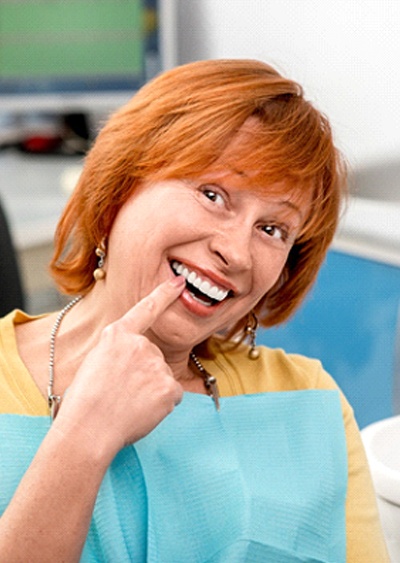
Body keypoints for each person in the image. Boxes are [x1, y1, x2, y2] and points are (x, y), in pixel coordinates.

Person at [0, 59, 389, 562]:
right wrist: (85, 434)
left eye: (273, 230)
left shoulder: (308, 400)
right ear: (119, 190)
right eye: (213, 194)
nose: (238, 253)